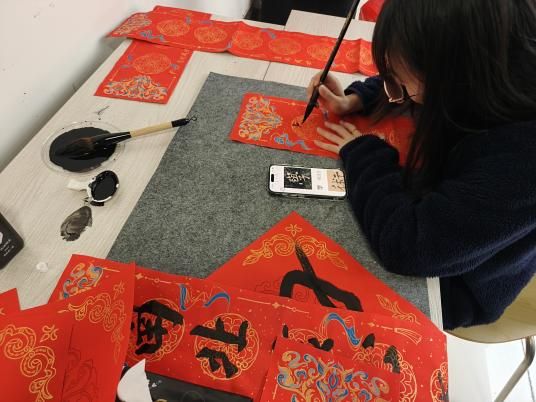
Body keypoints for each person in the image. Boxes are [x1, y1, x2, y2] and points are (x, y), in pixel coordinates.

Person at [307, 0, 536, 330]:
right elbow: (416, 71)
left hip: (455, 285)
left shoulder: (521, 162)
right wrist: (359, 98)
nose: (398, 90)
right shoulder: (495, 68)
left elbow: (409, 245)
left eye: (401, 84)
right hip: (442, 205)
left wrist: (363, 154)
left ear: (458, 77)